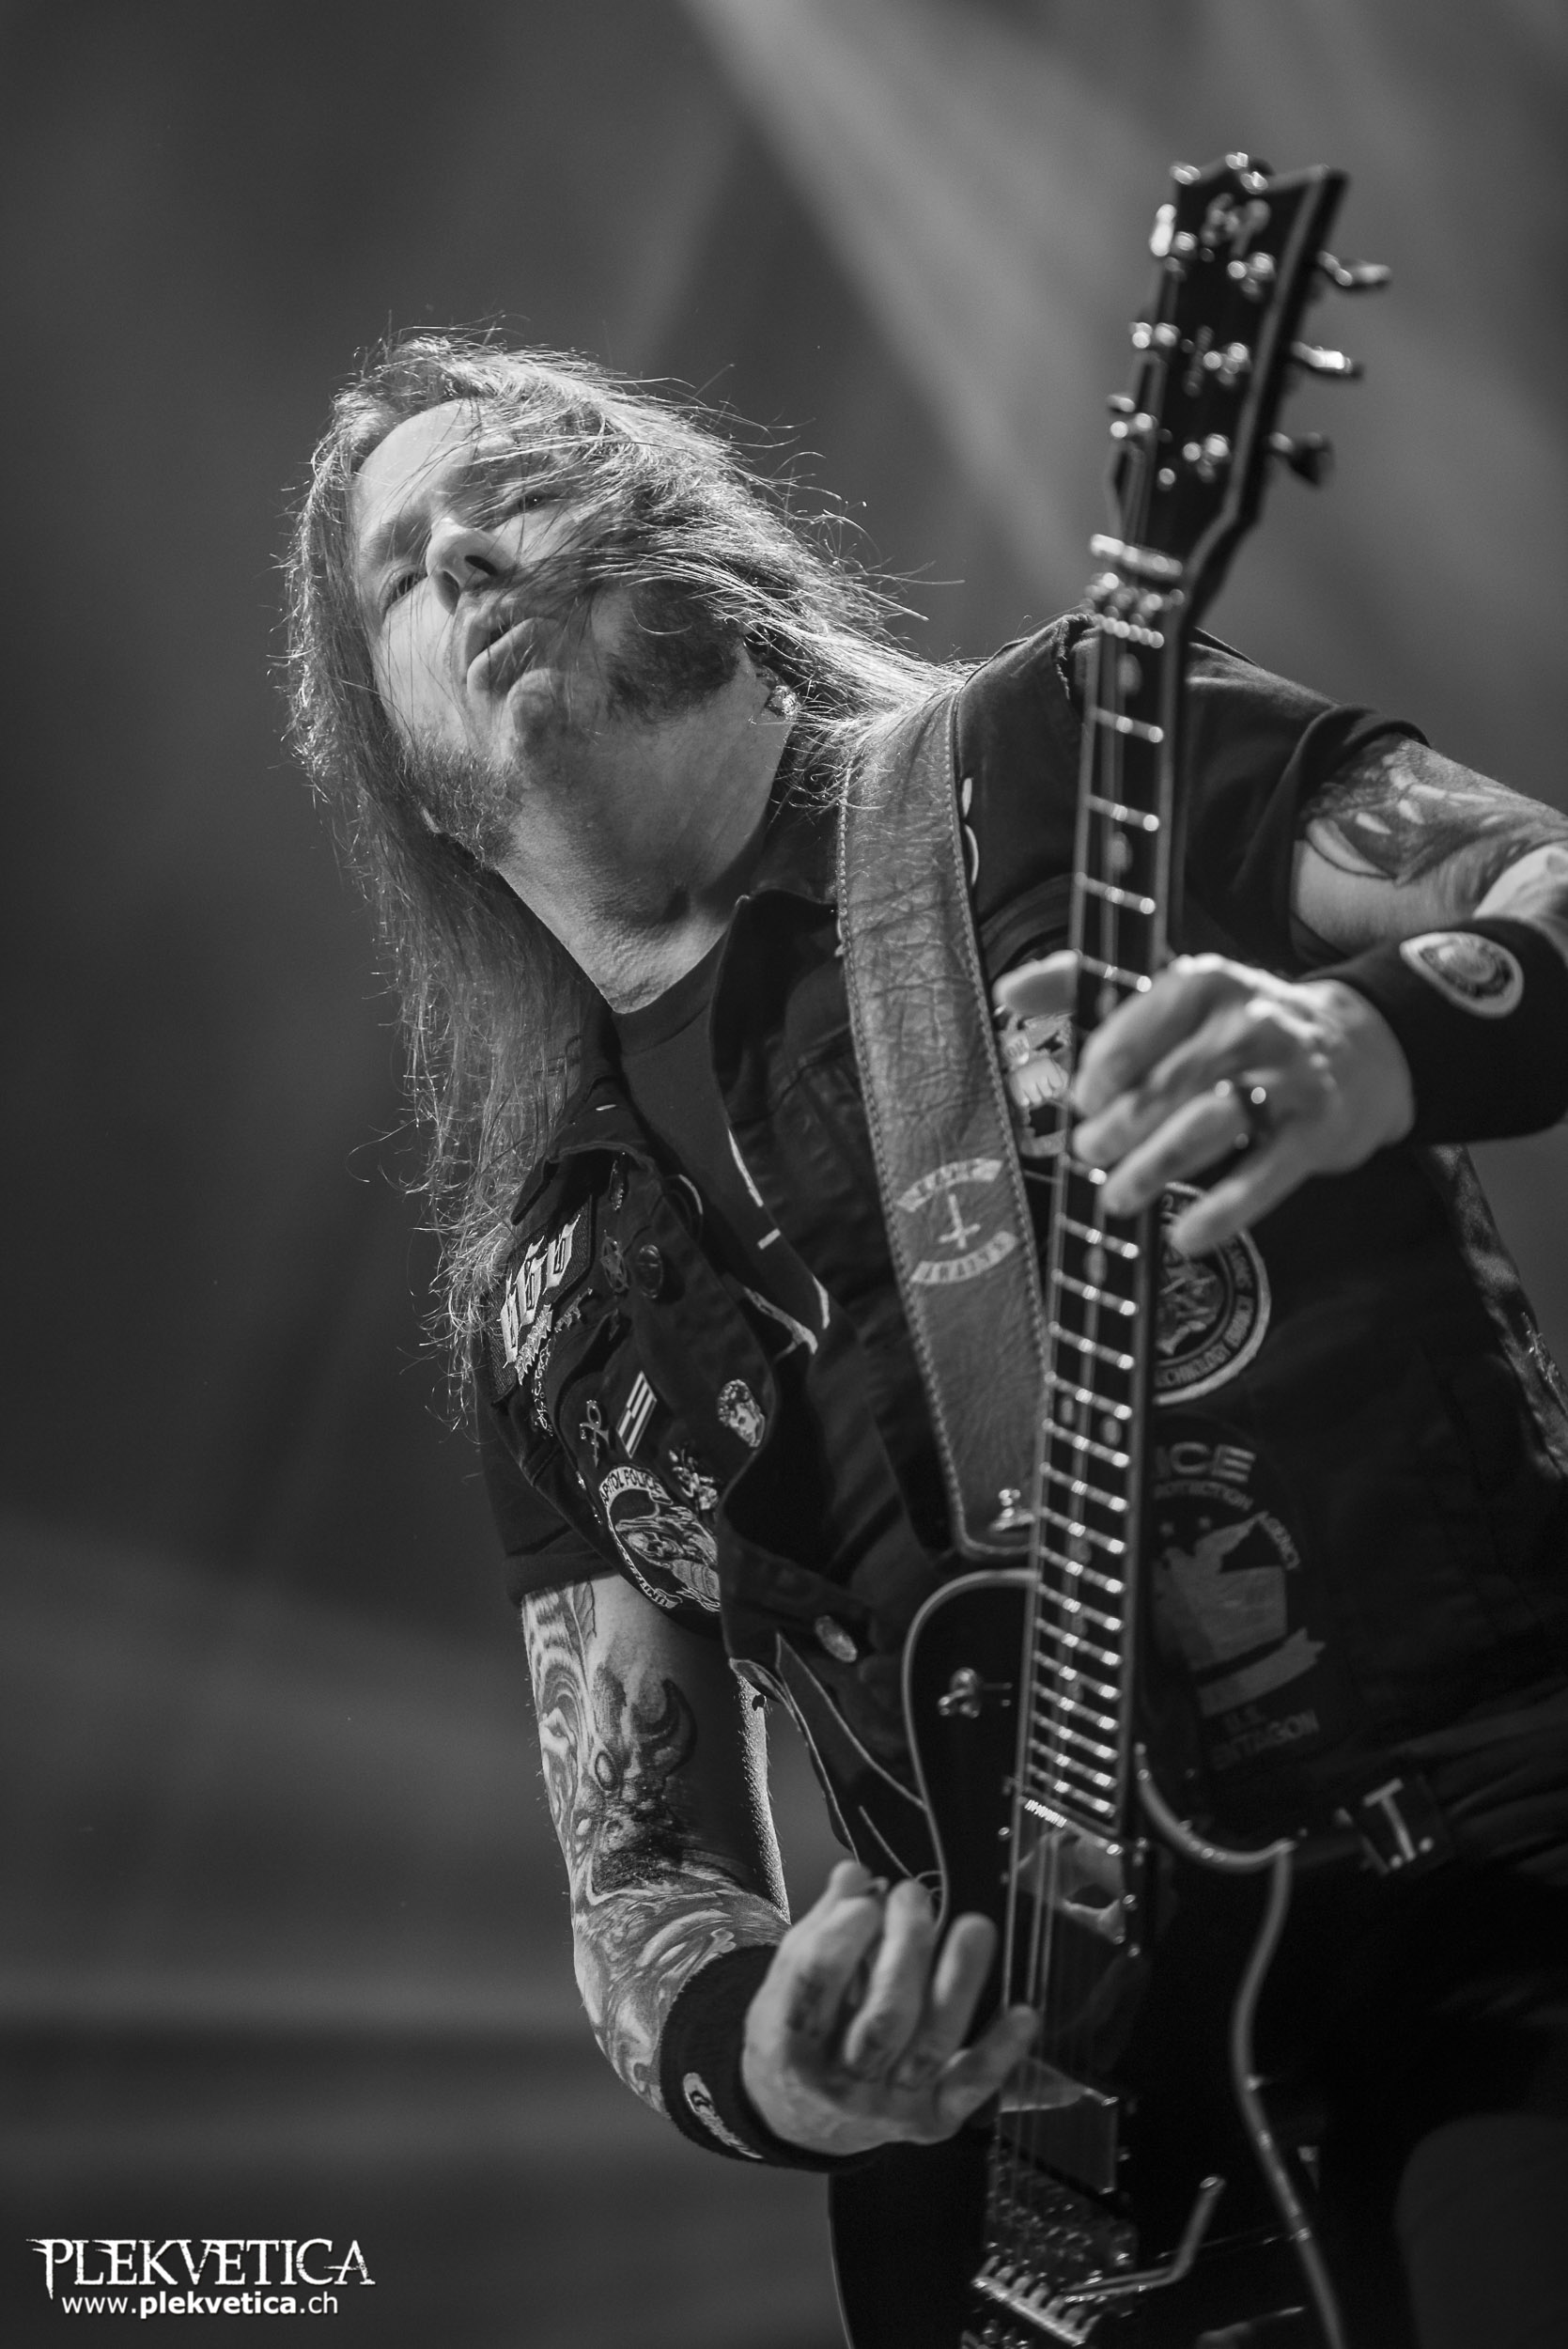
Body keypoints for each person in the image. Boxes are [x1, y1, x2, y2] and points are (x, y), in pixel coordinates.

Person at [287, 335, 1568, 2347]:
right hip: (1035, 2188)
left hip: (1485, 1917)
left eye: (512, 489)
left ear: (685, 540)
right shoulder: (546, 1294)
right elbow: (636, 1872)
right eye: (398, 569)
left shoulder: (1075, 753)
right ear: (401, 765)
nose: (459, 549)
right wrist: (774, 2059)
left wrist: (1371, 1038)